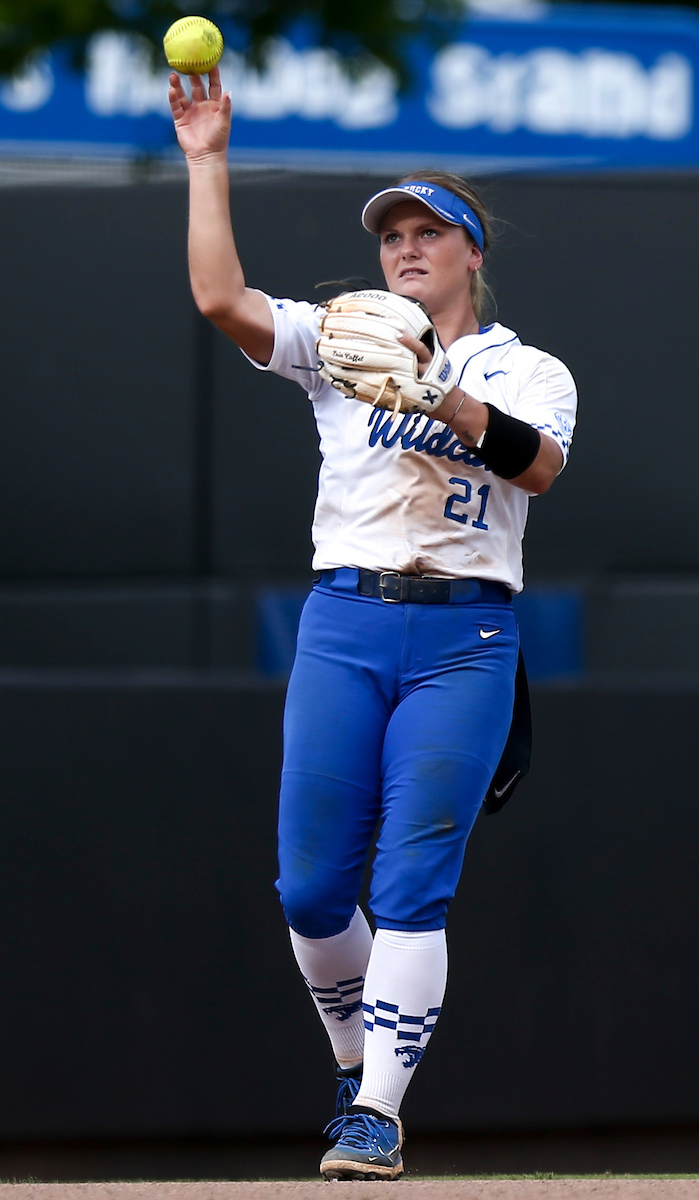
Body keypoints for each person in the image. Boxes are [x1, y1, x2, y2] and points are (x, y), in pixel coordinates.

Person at [169, 65, 578, 1181]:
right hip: (344, 621)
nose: (404, 247)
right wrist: (206, 159)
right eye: (392, 233)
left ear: (469, 253)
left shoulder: (522, 366)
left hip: (463, 637)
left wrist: (436, 392)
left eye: (428, 232)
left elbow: (535, 465)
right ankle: (358, 1070)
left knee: (409, 886)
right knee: (307, 890)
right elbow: (221, 301)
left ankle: (379, 1115)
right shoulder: (343, 341)